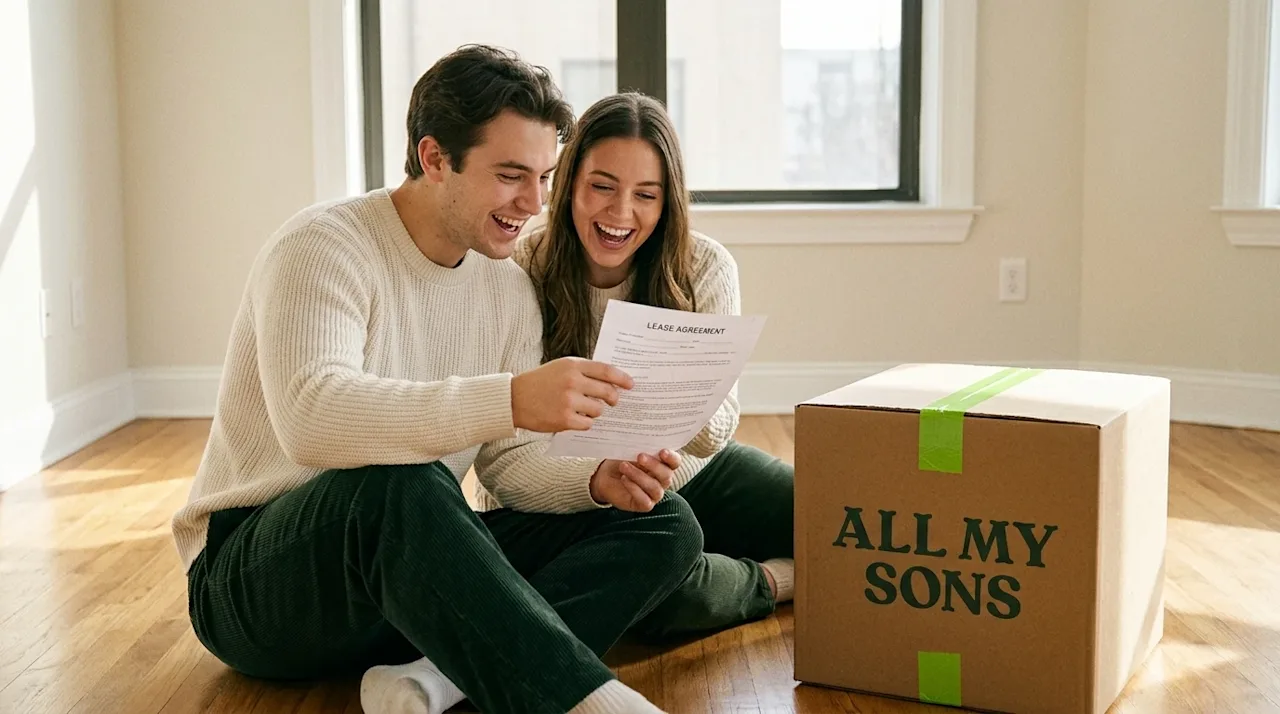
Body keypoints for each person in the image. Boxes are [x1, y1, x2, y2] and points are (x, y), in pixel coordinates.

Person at [173, 46, 705, 714]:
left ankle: (433, 678)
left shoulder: (507, 288)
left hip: (402, 571)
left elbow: (509, 468)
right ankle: (585, 701)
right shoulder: (321, 247)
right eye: (512, 175)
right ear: (434, 158)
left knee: (665, 526)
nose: (535, 203)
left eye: (544, 177)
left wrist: (594, 481)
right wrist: (512, 398)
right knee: (401, 480)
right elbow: (312, 419)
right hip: (258, 581)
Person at [474, 92, 796, 641]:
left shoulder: (704, 265)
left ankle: (712, 551)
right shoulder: (521, 268)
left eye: (645, 195)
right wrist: (600, 477)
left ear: (667, 201)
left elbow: (717, 428)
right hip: (574, 488)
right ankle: (770, 580)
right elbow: (502, 460)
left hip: (684, 469)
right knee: (664, 598)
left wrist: (664, 398)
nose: (621, 214)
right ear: (569, 182)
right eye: (602, 186)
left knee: (830, 515)